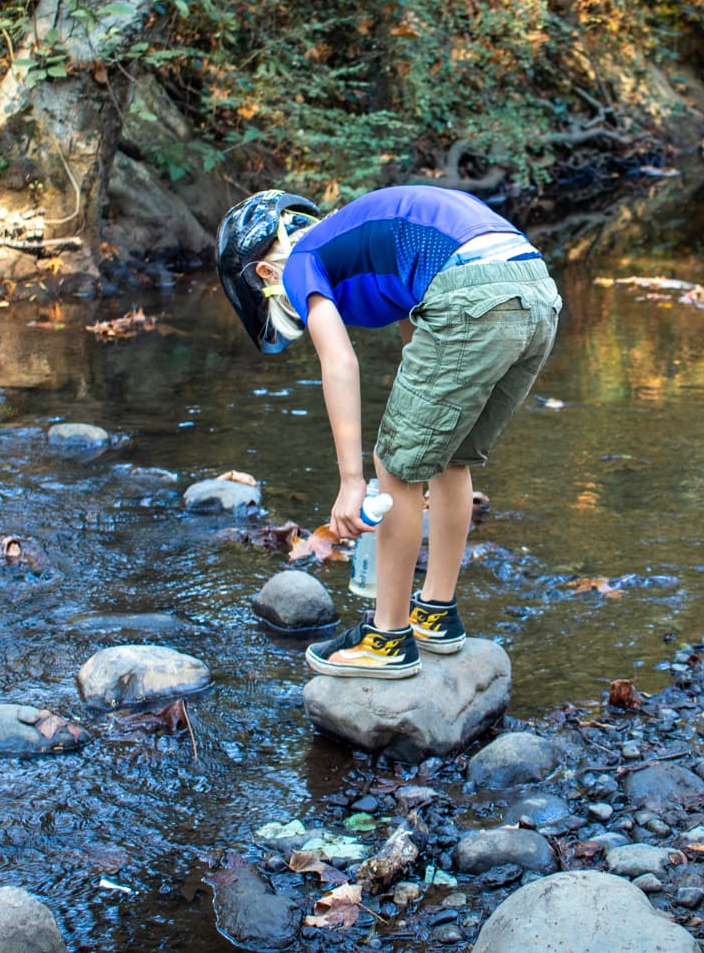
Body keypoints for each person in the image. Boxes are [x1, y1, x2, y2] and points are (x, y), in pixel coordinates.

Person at [217, 185, 561, 678]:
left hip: (473, 291)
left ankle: (388, 638)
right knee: (450, 457)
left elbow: (339, 363)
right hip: (535, 293)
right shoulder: (359, 238)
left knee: (395, 465)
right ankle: (436, 614)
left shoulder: (301, 262)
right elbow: (418, 340)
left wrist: (351, 481)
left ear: (265, 272)